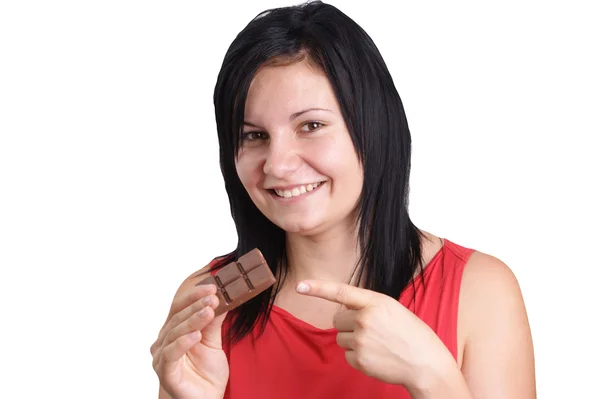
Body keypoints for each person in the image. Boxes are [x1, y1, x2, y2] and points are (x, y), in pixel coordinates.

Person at [150, 1, 536, 398]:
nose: (277, 165)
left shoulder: (481, 291)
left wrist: (433, 377)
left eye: (311, 125)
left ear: (374, 128)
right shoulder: (207, 303)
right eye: (254, 135)